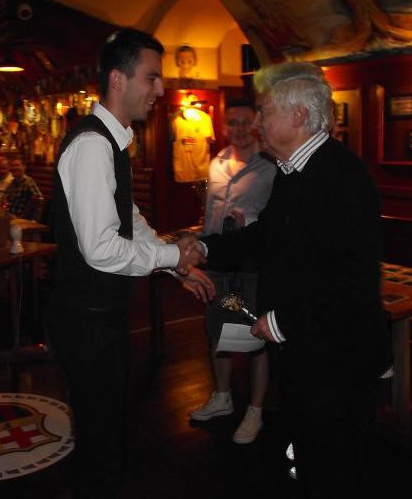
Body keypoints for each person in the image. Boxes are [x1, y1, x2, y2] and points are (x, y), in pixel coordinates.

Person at [200, 63, 391, 498]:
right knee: (309, 452)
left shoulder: (342, 177)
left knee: (336, 464)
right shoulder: (292, 171)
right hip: (307, 352)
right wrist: (205, 248)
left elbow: (353, 284)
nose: (257, 123)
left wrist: (282, 322)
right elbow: (264, 236)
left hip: (336, 359)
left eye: (265, 112)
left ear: (299, 116)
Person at [46, 28, 208, 498]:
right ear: (118, 79)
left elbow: (127, 217)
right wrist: (172, 254)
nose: (161, 88)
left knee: (107, 432)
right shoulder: (92, 146)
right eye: (151, 77)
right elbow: (100, 249)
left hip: (99, 320)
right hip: (86, 323)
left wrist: (173, 264)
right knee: (101, 444)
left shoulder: (111, 142)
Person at [188, 98, 276, 444]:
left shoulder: (271, 165)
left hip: (253, 263)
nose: (238, 129)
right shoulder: (217, 162)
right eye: (232, 123)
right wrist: (201, 246)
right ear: (224, 127)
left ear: (256, 124)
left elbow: (276, 218)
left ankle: (255, 411)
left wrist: (248, 221)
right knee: (217, 330)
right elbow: (210, 212)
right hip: (219, 262)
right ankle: (222, 397)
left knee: (258, 335)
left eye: (244, 122)